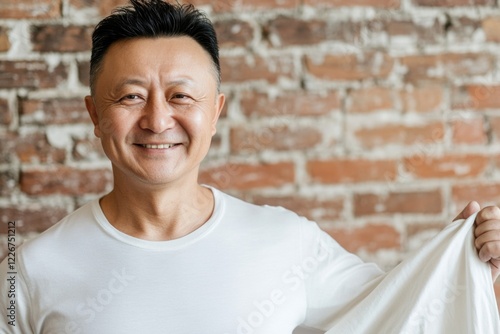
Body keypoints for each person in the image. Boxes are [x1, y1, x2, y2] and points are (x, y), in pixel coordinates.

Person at [1, 0, 500, 333]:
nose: (157, 120)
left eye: (181, 96)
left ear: (215, 112)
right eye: (131, 96)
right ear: (94, 114)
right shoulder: (24, 271)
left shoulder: (288, 242)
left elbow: (404, 312)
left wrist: (466, 261)